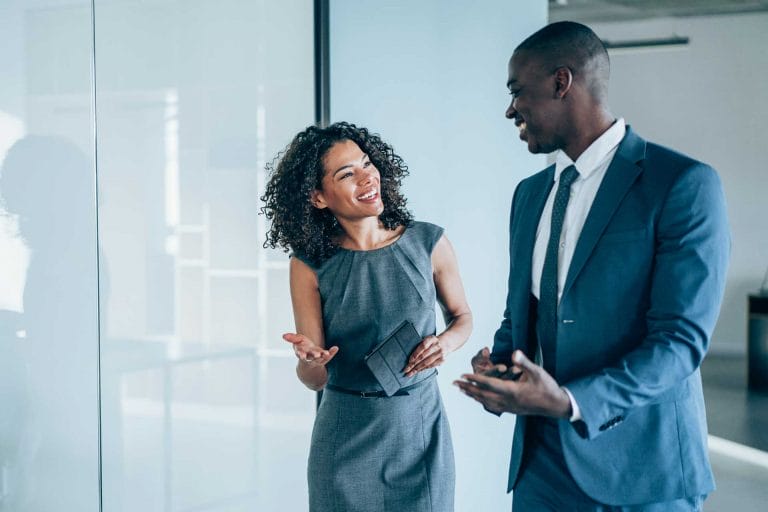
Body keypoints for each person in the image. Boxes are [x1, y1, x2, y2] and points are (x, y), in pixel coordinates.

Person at [454, 21, 730, 511]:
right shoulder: (530, 195)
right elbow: (527, 313)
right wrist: (500, 366)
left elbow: (679, 344)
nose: (509, 109)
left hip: (641, 469)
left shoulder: (681, 184)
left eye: (518, 91)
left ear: (562, 83)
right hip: (540, 466)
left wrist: (569, 401)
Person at [261, 121, 472, 512]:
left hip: (419, 431)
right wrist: (310, 361)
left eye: (366, 163)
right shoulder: (309, 265)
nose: (367, 177)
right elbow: (314, 379)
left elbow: (462, 318)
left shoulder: (429, 242)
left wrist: (445, 342)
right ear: (319, 197)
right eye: (347, 174)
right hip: (344, 436)